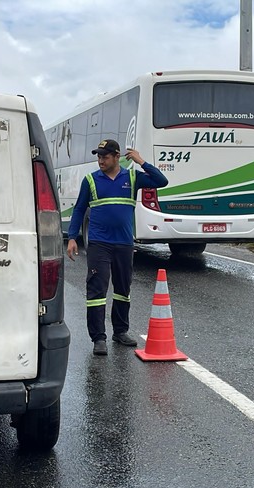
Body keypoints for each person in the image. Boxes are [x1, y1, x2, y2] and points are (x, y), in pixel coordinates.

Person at [66, 139, 168, 356]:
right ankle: (98, 338)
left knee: (123, 290)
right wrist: (72, 237)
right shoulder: (91, 180)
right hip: (99, 244)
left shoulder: (132, 177)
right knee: (97, 290)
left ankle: (120, 331)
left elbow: (162, 181)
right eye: (98, 156)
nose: (100, 160)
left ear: (116, 156)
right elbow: (79, 209)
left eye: (104, 156)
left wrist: (141, 161)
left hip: (123, 243)